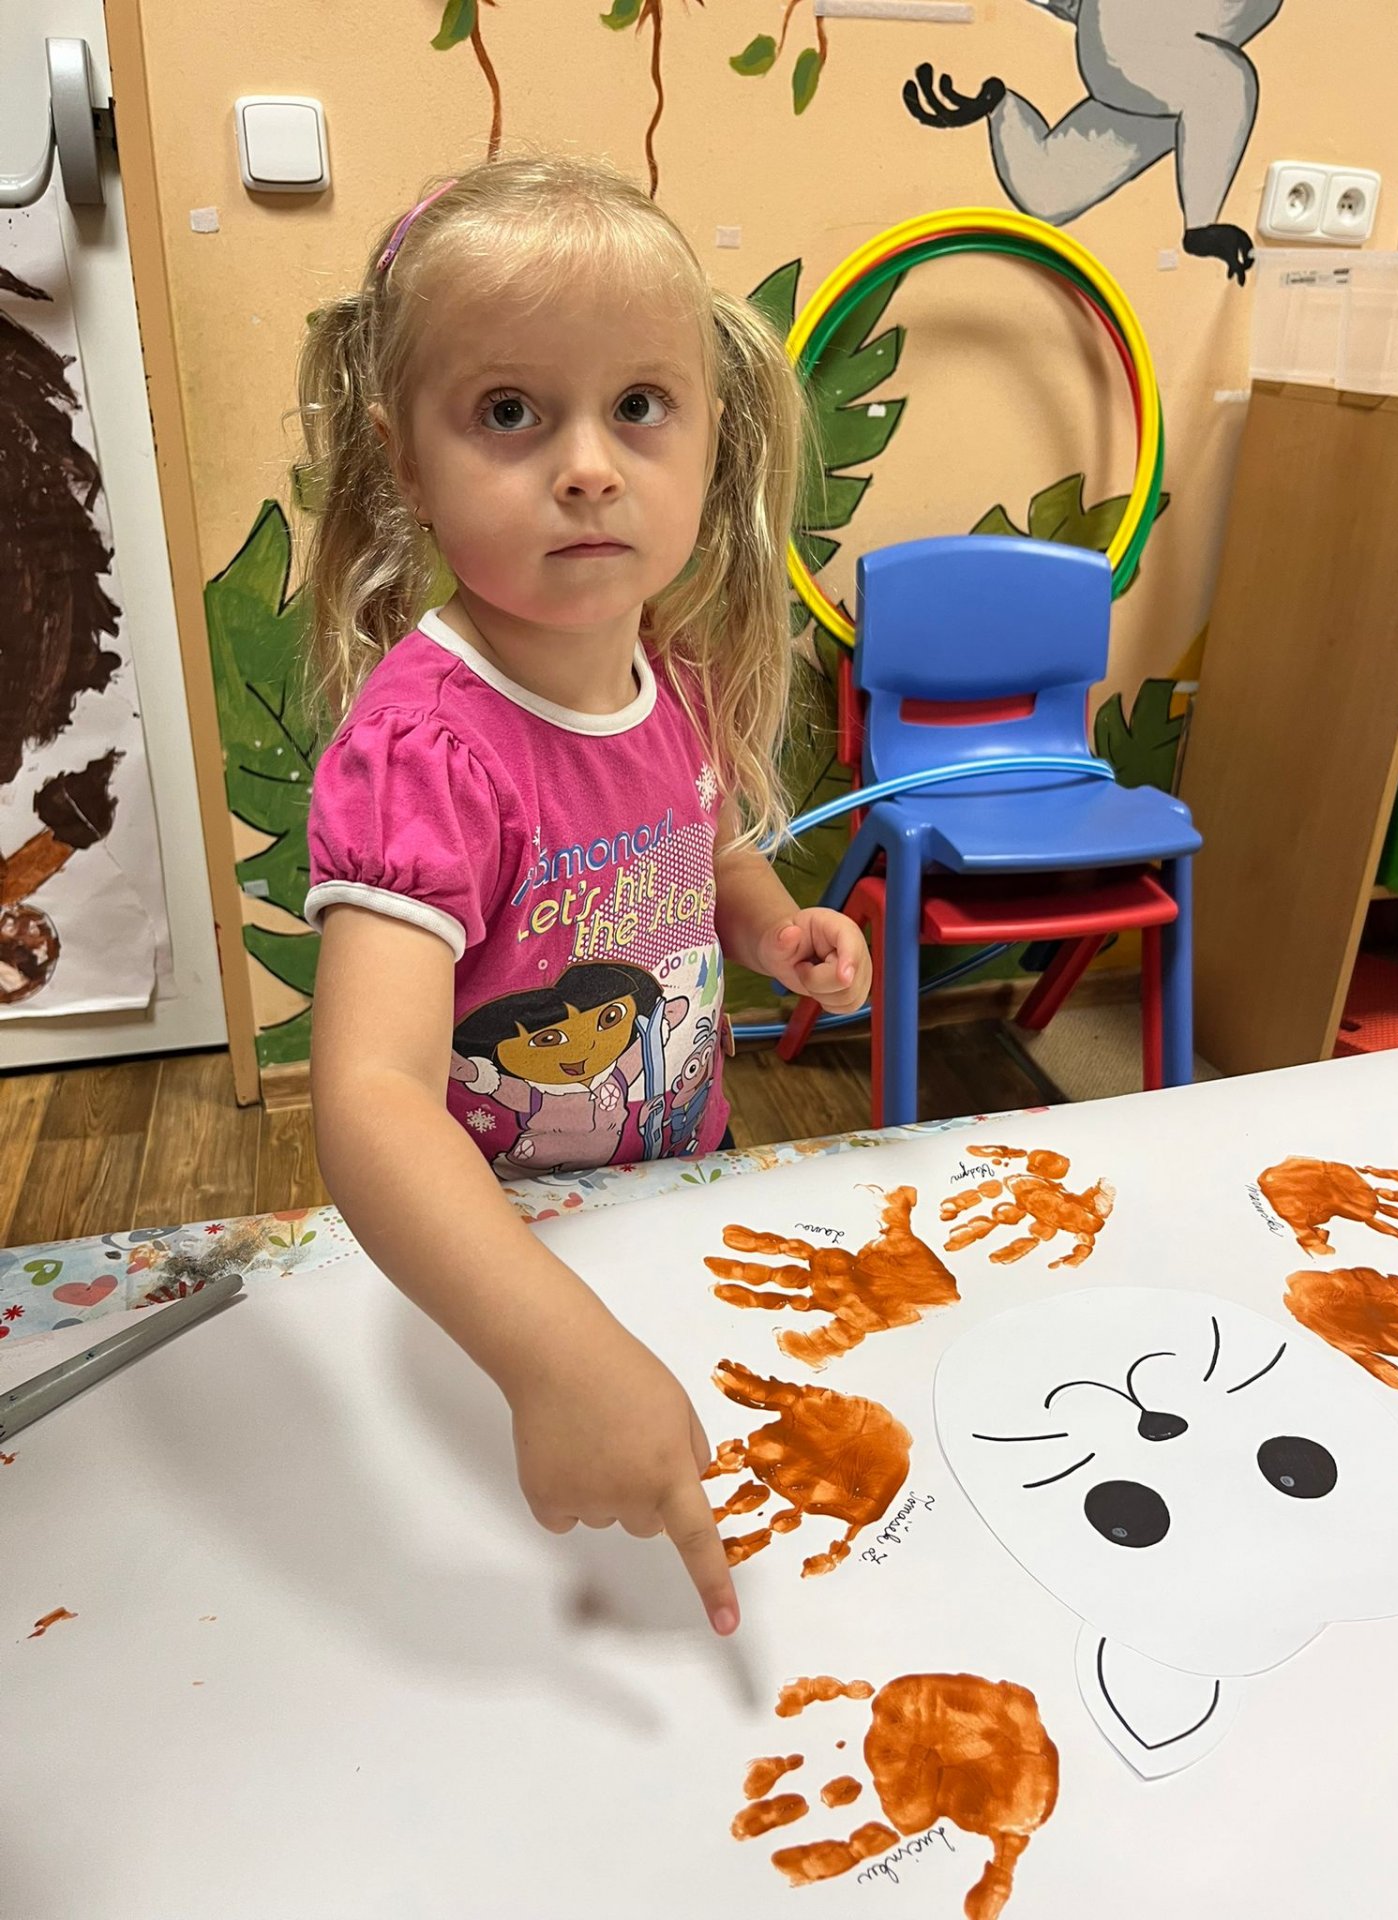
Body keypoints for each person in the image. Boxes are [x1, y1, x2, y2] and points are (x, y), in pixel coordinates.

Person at [298, 155, 872, 1638]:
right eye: (510, 411)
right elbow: (369, 1097)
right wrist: (551, 1356)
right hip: (498, 1271)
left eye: (638, 406)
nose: (589, 466)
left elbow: (696, 842)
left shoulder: (663, 670)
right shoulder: (427, 751)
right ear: (405, 462)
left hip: (671, 1182)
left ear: (709, 433)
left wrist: (768, 925)